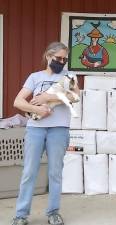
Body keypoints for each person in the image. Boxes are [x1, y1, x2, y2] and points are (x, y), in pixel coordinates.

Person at [12, 42, 80, 225]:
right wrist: (39, 110)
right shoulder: (35, 77)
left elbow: (75, 97)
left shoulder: (69, 76)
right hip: (35, 129)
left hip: (59, 129)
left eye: (64, 59)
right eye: (58, 58)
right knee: (29, 172)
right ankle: (21, 214)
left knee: (55, 172)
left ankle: (53, 212)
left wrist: (48, 97)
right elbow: (18, 102)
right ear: (48, 56)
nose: (62, 62)